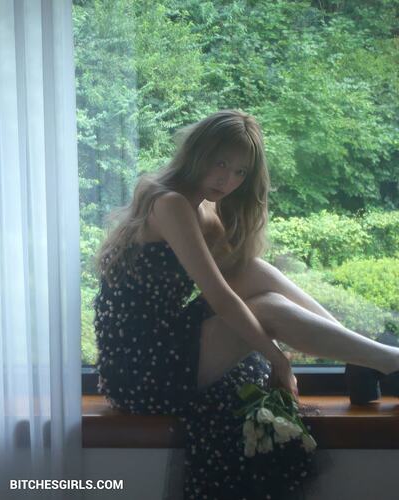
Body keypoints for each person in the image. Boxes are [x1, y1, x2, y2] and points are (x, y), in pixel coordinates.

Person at [93, 109, 399, 500]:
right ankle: (387, 361)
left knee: (252, 269)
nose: (228, 179)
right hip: (140, 368)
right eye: (220, 163)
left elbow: (239, 276)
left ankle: (362, 355)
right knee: (267, 308)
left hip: (167, 339)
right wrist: (277, 358)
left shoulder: (203, 209)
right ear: (198, 152)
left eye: (240, 171)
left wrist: (281, 353)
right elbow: (220, 296)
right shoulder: (169, 203)